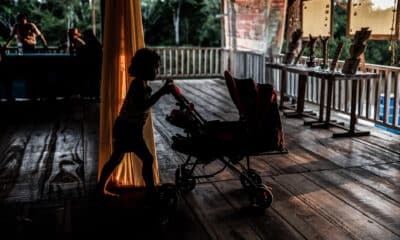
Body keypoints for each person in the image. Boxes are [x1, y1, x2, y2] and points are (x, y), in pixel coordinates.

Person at [97, 48, 173, 200]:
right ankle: (151, 191)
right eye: (155, 67)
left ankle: (100, 189)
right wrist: (162, 91)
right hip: (128, 129)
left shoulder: (141, 83)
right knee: (147, 159)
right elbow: (142, 105)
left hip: (127, 128)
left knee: (116, 159)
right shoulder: (137, 84)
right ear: (145, 68)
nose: (157, 70)